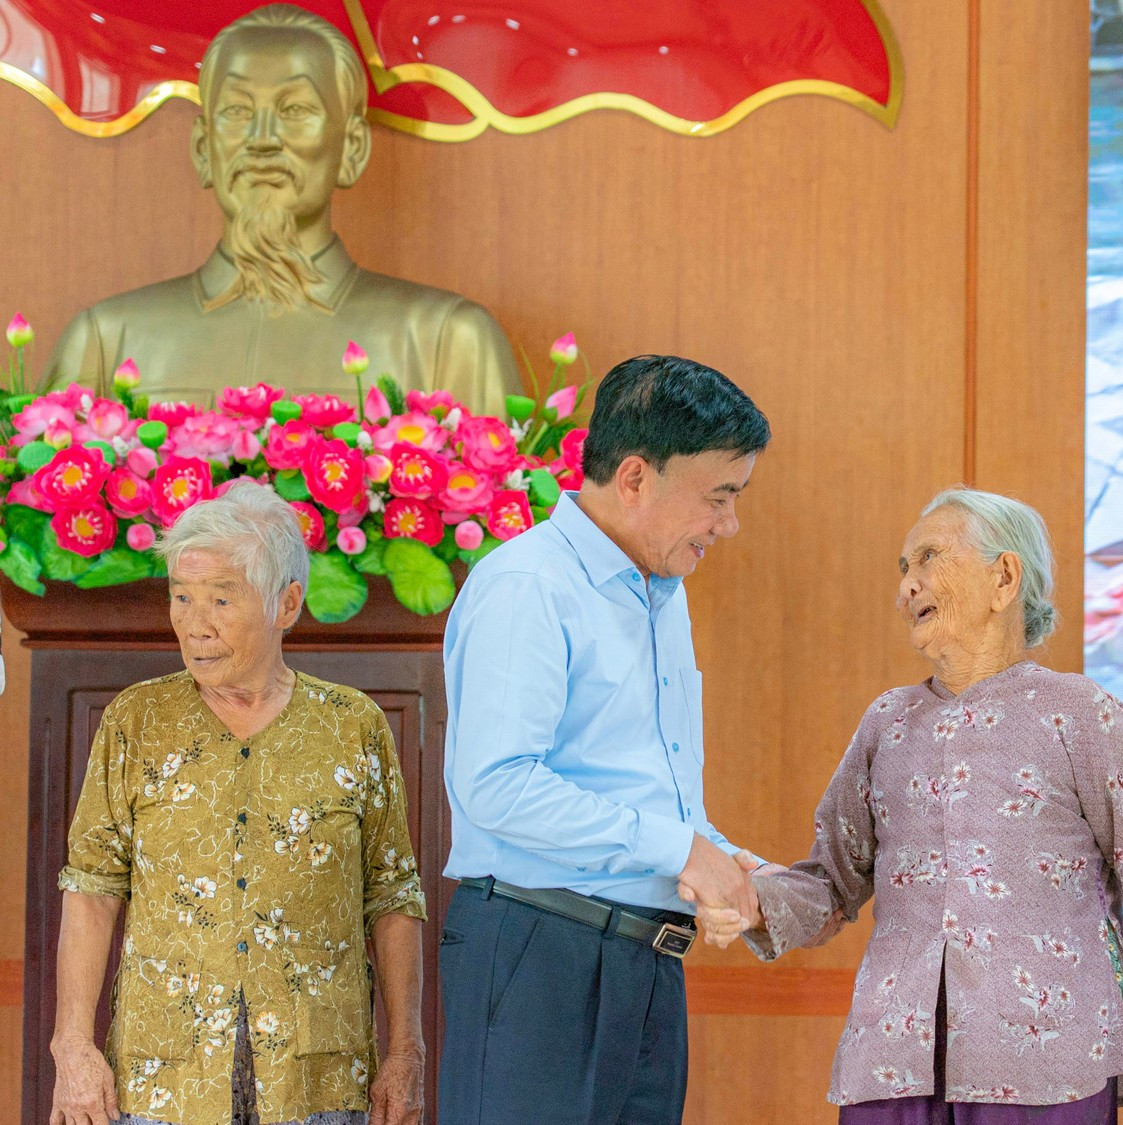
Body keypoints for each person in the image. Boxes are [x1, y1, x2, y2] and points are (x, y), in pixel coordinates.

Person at [693, 488, 1123, 1124]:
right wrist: (755, 897)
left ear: (1003, 577)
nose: (907, 586)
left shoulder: (1081, 715)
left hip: (1048, 1067)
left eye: (928, 558)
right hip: (893, 1066)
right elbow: (832, 883)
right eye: (903, 569)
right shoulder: (887, 723)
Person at [436, 354, 774, 1124]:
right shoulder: (528, 586)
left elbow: (643, 783)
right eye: (719, 496)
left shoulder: (663, 593)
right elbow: (498, 785)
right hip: (538, 958)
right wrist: (683, 850)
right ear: (634, 478)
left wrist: (715, 854)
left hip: (645, 962)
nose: (729, 524)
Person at [49, 483, 427, 1125]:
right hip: (166, 1078)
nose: (195, 624)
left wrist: (406, 1051)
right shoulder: (135, 722)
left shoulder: (352, 726)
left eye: (221, 599)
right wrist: (73, 1047)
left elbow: (392, 894)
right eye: (181, 597)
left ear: (287, 604)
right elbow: (92, 886)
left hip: (318, 1077)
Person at [47, 4, 518, 409]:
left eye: (295, 110)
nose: (263, 140)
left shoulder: (448, 342)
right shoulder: (106, 341)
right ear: (202, 149)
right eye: (237, 111)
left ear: (351, 149)